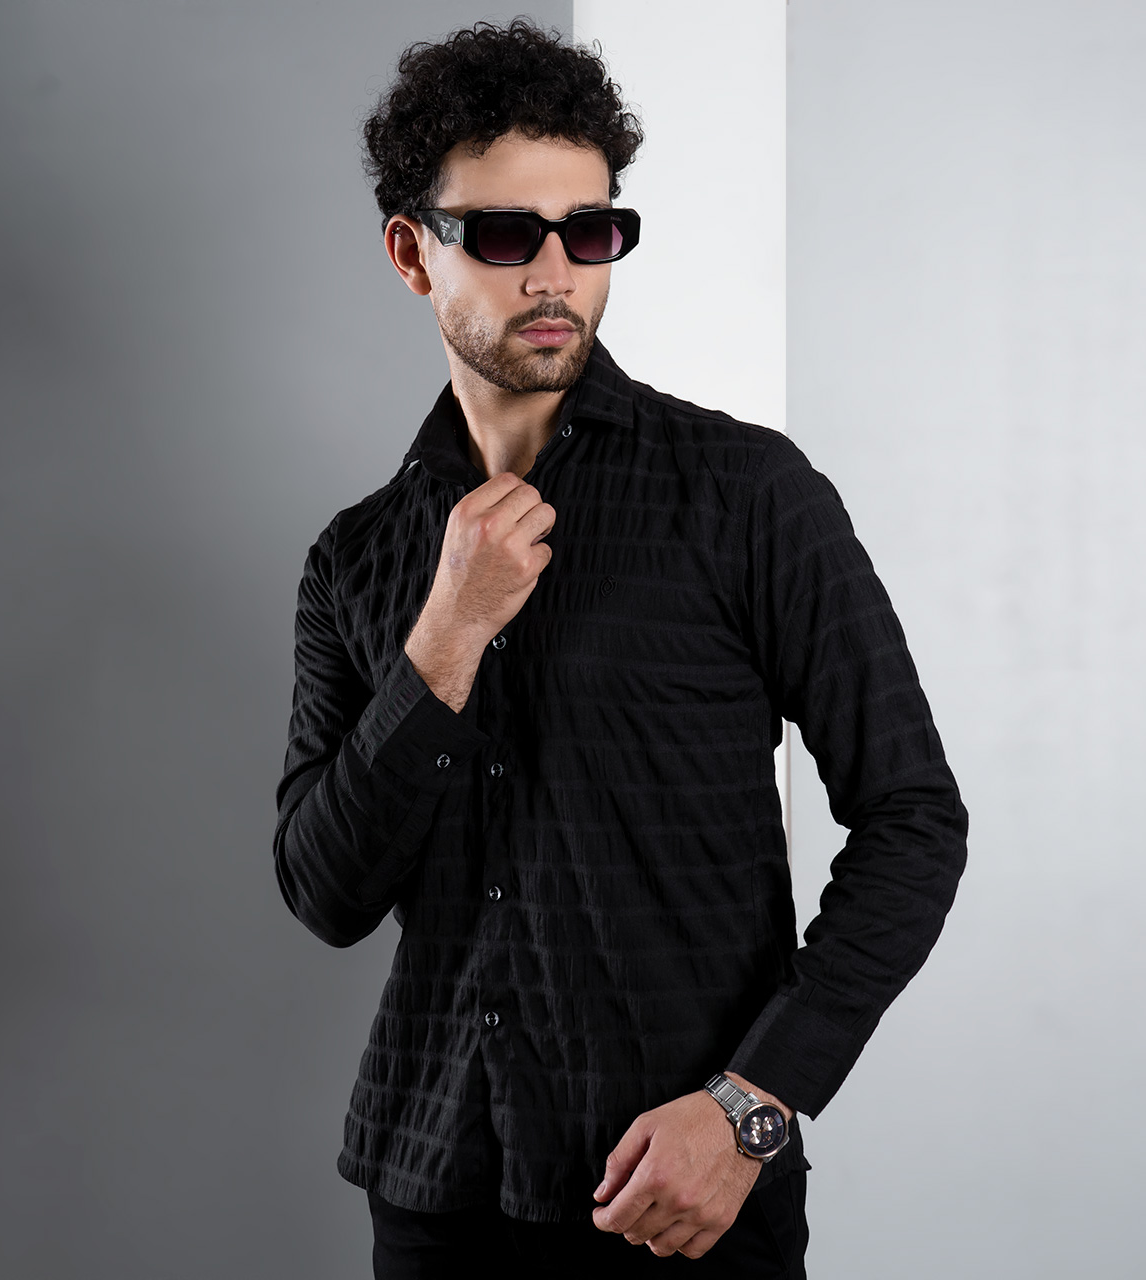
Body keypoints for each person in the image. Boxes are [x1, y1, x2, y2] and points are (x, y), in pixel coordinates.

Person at [273, 19, 967, 1279]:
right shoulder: (356, 558)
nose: (555, 274)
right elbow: (325, 892)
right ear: (410, 252)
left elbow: (912, 819)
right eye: (503, 235)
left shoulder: (747, 495)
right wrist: (445, 635)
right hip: (433, 1189)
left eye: (588, 232)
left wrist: (753, 1106)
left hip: (682, 1196)